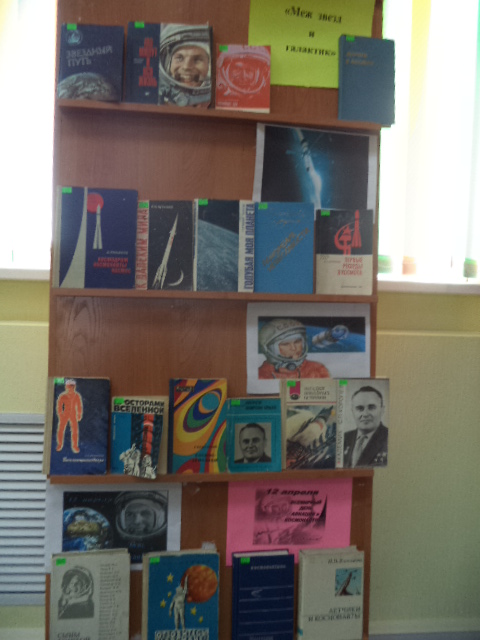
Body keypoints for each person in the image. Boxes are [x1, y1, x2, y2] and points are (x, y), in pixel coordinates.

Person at [258, 318, 330, 380]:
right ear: (268, 349)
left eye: (297, 341)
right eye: (285, 344)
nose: (293, 348)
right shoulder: (261, 375)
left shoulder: (317, 370)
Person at [343, 386, 388, 468]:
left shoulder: (390, 438)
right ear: (352, 411)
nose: (365, 414)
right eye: (360, 408)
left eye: (371, 408)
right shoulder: (344, 438)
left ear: (382, 410)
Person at [55, 379, 83, 453]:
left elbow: (79, 406)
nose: (70, 388)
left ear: (74, 387)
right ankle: (59, 444)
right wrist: (60, 414)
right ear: (66, 387)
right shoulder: (63, 396)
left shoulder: (77, 396)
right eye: (69, 387)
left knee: (75, 430)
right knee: (61, 429)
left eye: (72, 387)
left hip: (73, 415)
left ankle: (75, 446)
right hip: (65, 414)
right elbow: (59, 406)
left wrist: (79, 414)